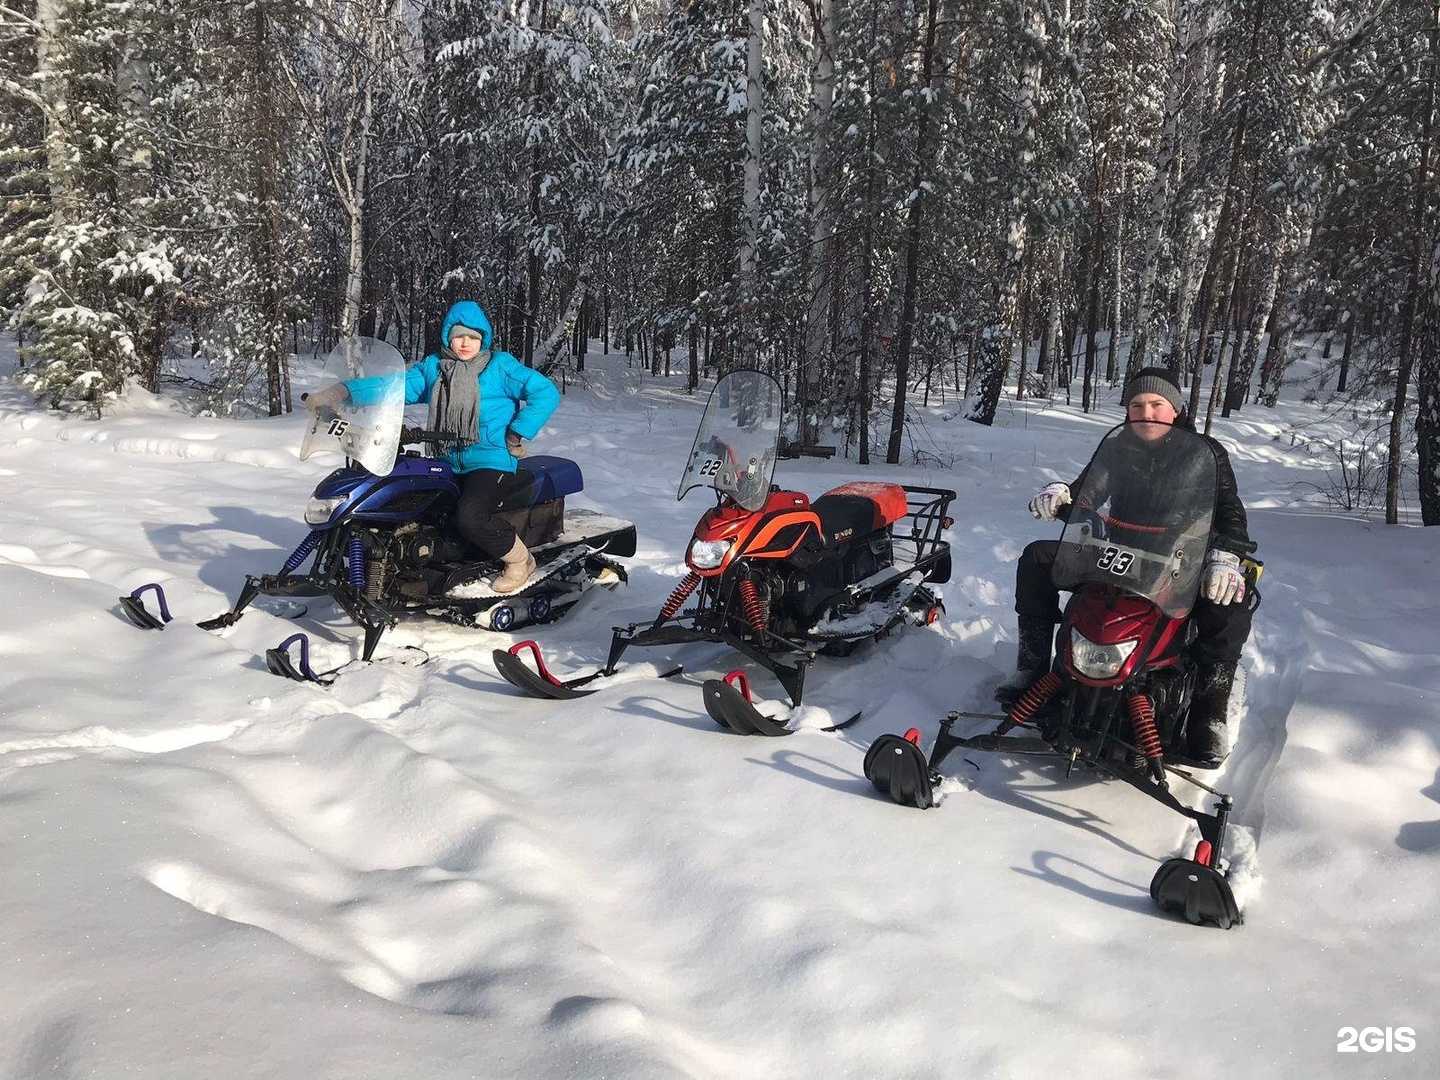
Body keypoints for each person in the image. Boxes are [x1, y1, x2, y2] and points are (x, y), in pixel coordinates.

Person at [1004, 367, 1253, 766]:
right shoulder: (1119, 447)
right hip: (1120, 552)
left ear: (1176, 409)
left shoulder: (1206, 452)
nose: (1146, 413)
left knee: (1232, 601)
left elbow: (1229, 512)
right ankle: (1031, 668)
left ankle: (1209, 711)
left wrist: (1226, 555)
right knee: (1037, 558)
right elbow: (1090, 487)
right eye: (1137, 405)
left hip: (1179, 559)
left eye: (1157, 404)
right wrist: (1064, 493)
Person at [305, 300, 560, 594]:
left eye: (474, 337)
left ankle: (520, 560)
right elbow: (393, 387)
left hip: (490, 459)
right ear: (448, 337)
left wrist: (517, 432)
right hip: (446, 458)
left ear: (484, 339)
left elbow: (546, 392)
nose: (466, 343)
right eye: (459, 335)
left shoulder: (500, 367)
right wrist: (343, 392)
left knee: (470, 515)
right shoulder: (434, 369)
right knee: (414, 508)